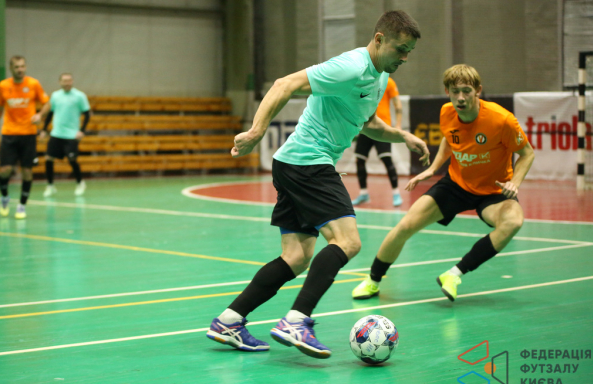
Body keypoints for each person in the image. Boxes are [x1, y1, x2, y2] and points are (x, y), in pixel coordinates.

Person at [206, 10, 429, 359]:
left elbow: (368, 122)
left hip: (294, 163)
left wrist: (403, 136)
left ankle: (229, 321)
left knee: (296, 257)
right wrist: (256, 132)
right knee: (348, 242)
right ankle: (296, 320)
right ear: (379, 39)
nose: (404, 58)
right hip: (308, 162)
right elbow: (284, 84)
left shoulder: (380, 75)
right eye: (401, 49)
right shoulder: (351, 67)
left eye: (409, 52)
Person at [351, 64, 535, 302]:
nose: (461, 97)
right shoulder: (447, 112)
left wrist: (515, 183)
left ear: (478, 90)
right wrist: (433, 168)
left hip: (494, 190)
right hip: (456, 185)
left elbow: (527, 153)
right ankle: (373, 281)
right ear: (447, 91)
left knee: (513, 221)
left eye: (466, 91)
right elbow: (450, 140)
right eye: (455, 91)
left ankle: (454, 274)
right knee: (405, 225)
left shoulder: (502, 120)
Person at [0, 56, 50, 219]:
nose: (20, 69)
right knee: (5, 170)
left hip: (28, 134)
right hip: (9, 133)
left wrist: (40, 115)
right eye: (17, 67)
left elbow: (47, 103)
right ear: (11, 68)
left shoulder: (33, 84)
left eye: (22, 66)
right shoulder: (3, 86)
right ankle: (5, 196)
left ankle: (22, 206)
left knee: (27, 172)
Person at [352, 77, 404, 207]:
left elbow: (397, 105)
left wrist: (398, 125)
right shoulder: (365, 81)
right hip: (366, 127)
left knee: (386, 159)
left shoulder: (389, 82)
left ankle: (396, 193)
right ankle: (363, 193)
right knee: (359, 160)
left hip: (382, 127)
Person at [40, 73, 91, 196]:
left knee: (72, 159)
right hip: (56, 133)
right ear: (60, 82)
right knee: (48, 158)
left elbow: (87, 114)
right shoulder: (55, 96)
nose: (67, 83)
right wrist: (44, 129)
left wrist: (82, 131)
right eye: (64, 81)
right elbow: (50, 113)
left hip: (71, 135)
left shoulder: (80, 96)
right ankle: (50, 185)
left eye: (69, 80)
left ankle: (80, 183)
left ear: (72, 81)